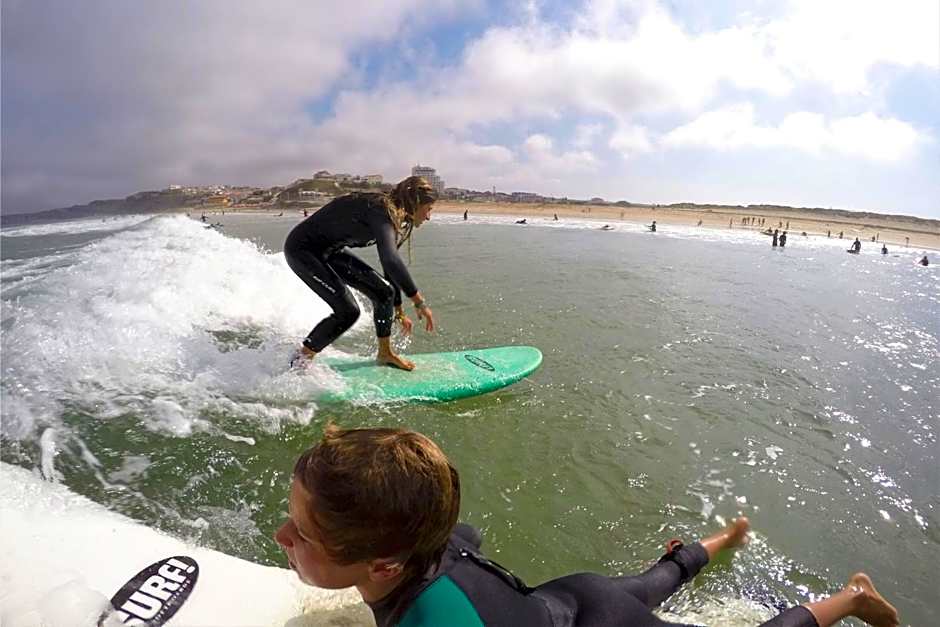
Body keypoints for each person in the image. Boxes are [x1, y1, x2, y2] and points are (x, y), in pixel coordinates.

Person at [275, 425, 901, 627]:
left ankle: (851, 597)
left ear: (385, 563)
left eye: (303, 532)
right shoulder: (423, 535)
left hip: (597, 621)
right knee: (655, 580)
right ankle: (725, 538)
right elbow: (467, 537)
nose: (282, 537)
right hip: (574, 596)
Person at [283, 176, 436, 371]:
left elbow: (390, 266)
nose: (428, 216)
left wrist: (398, 309)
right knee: (348, 311)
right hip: (303, 250)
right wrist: (419, 302)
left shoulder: (392, 215)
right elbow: (390, 260)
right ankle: (299, 362)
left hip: (331, 251)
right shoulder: (381, 211)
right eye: (428, 209)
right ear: (415, 203)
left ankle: (385, 353)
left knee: (385, 293)